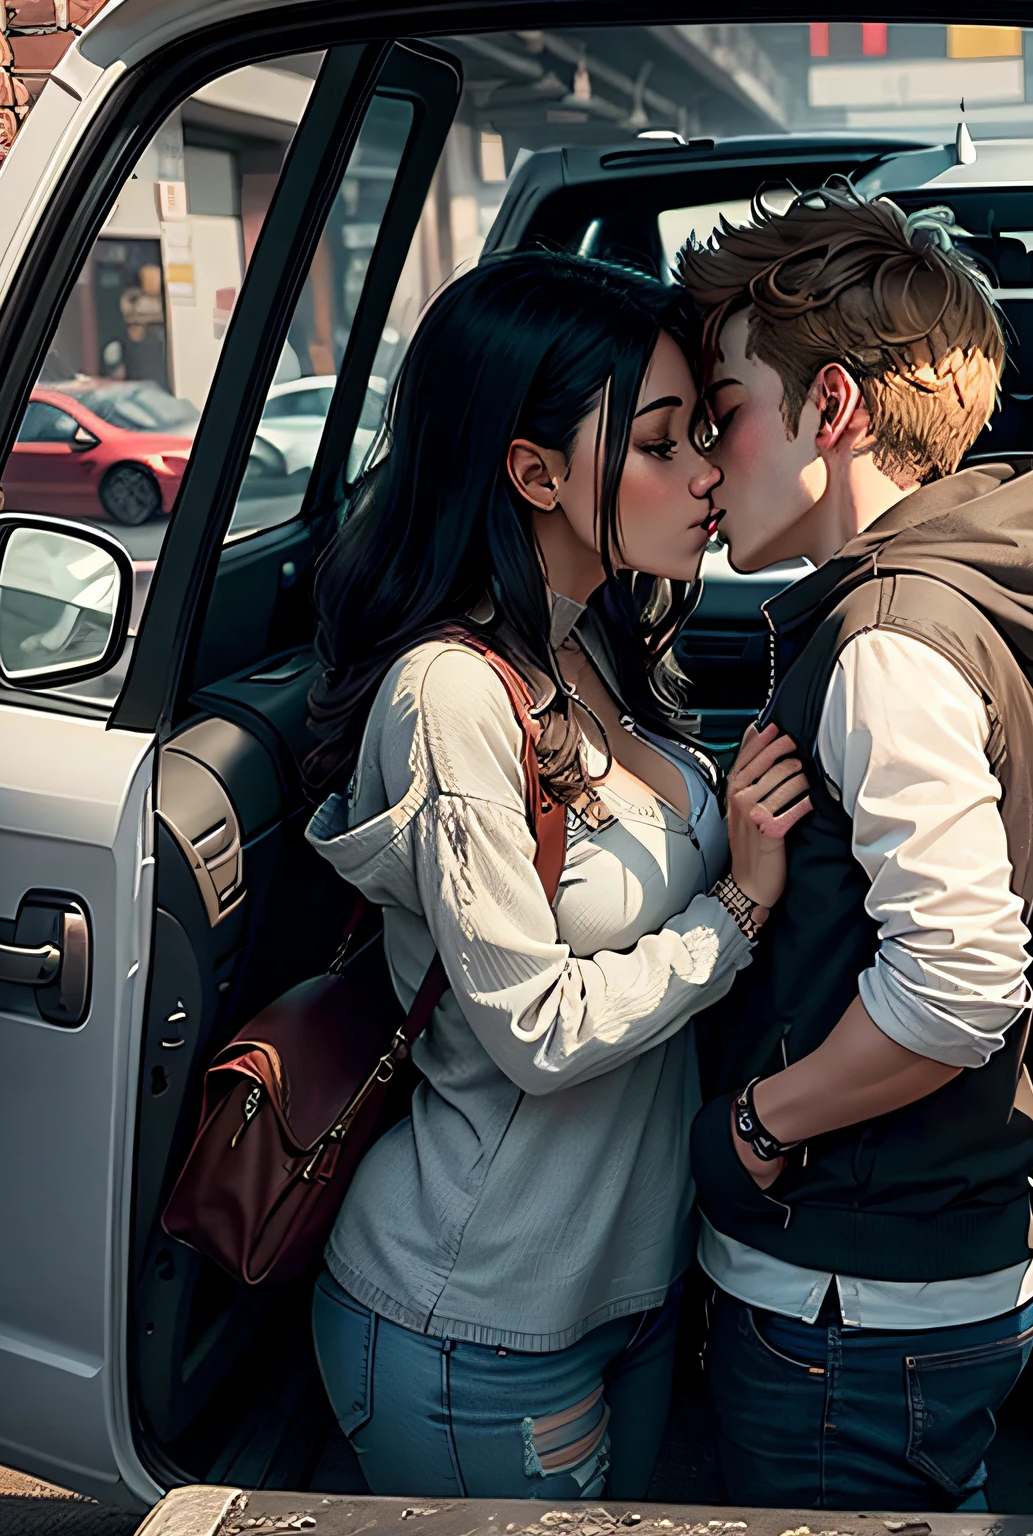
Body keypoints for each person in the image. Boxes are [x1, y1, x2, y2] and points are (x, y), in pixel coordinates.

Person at [301, 251, 811, 1500]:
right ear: (532, 472)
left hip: (626, 1290)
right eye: (657, 444)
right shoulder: (450, 696)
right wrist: (737, 907)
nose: (705, 473)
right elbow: (534, 1026)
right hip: (473, 1314)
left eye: (701, 431)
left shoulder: (591, 646)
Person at [678, 184, 1033, 1510]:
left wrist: (754, 1126)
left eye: (726, 414)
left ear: (834, 408)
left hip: (854, 1298)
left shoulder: (891, 641)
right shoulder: (956, 591)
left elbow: (962, 986)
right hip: (913, 1274)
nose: (706, 457)